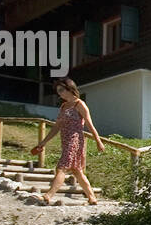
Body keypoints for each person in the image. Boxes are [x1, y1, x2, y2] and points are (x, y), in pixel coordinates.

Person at [31, 77, 104, 205]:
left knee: (61, 168)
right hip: (65, 141)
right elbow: (56, 127)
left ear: (70, 88)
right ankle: (92, 197)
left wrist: (98, 141)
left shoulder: (79, 104)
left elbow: (89, 125)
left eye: (61, 90)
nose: (59, 93)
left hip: (75, 140)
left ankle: (48, 196)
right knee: (76, 170)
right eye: (58, 91)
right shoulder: (64, 106)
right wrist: (43, 142)